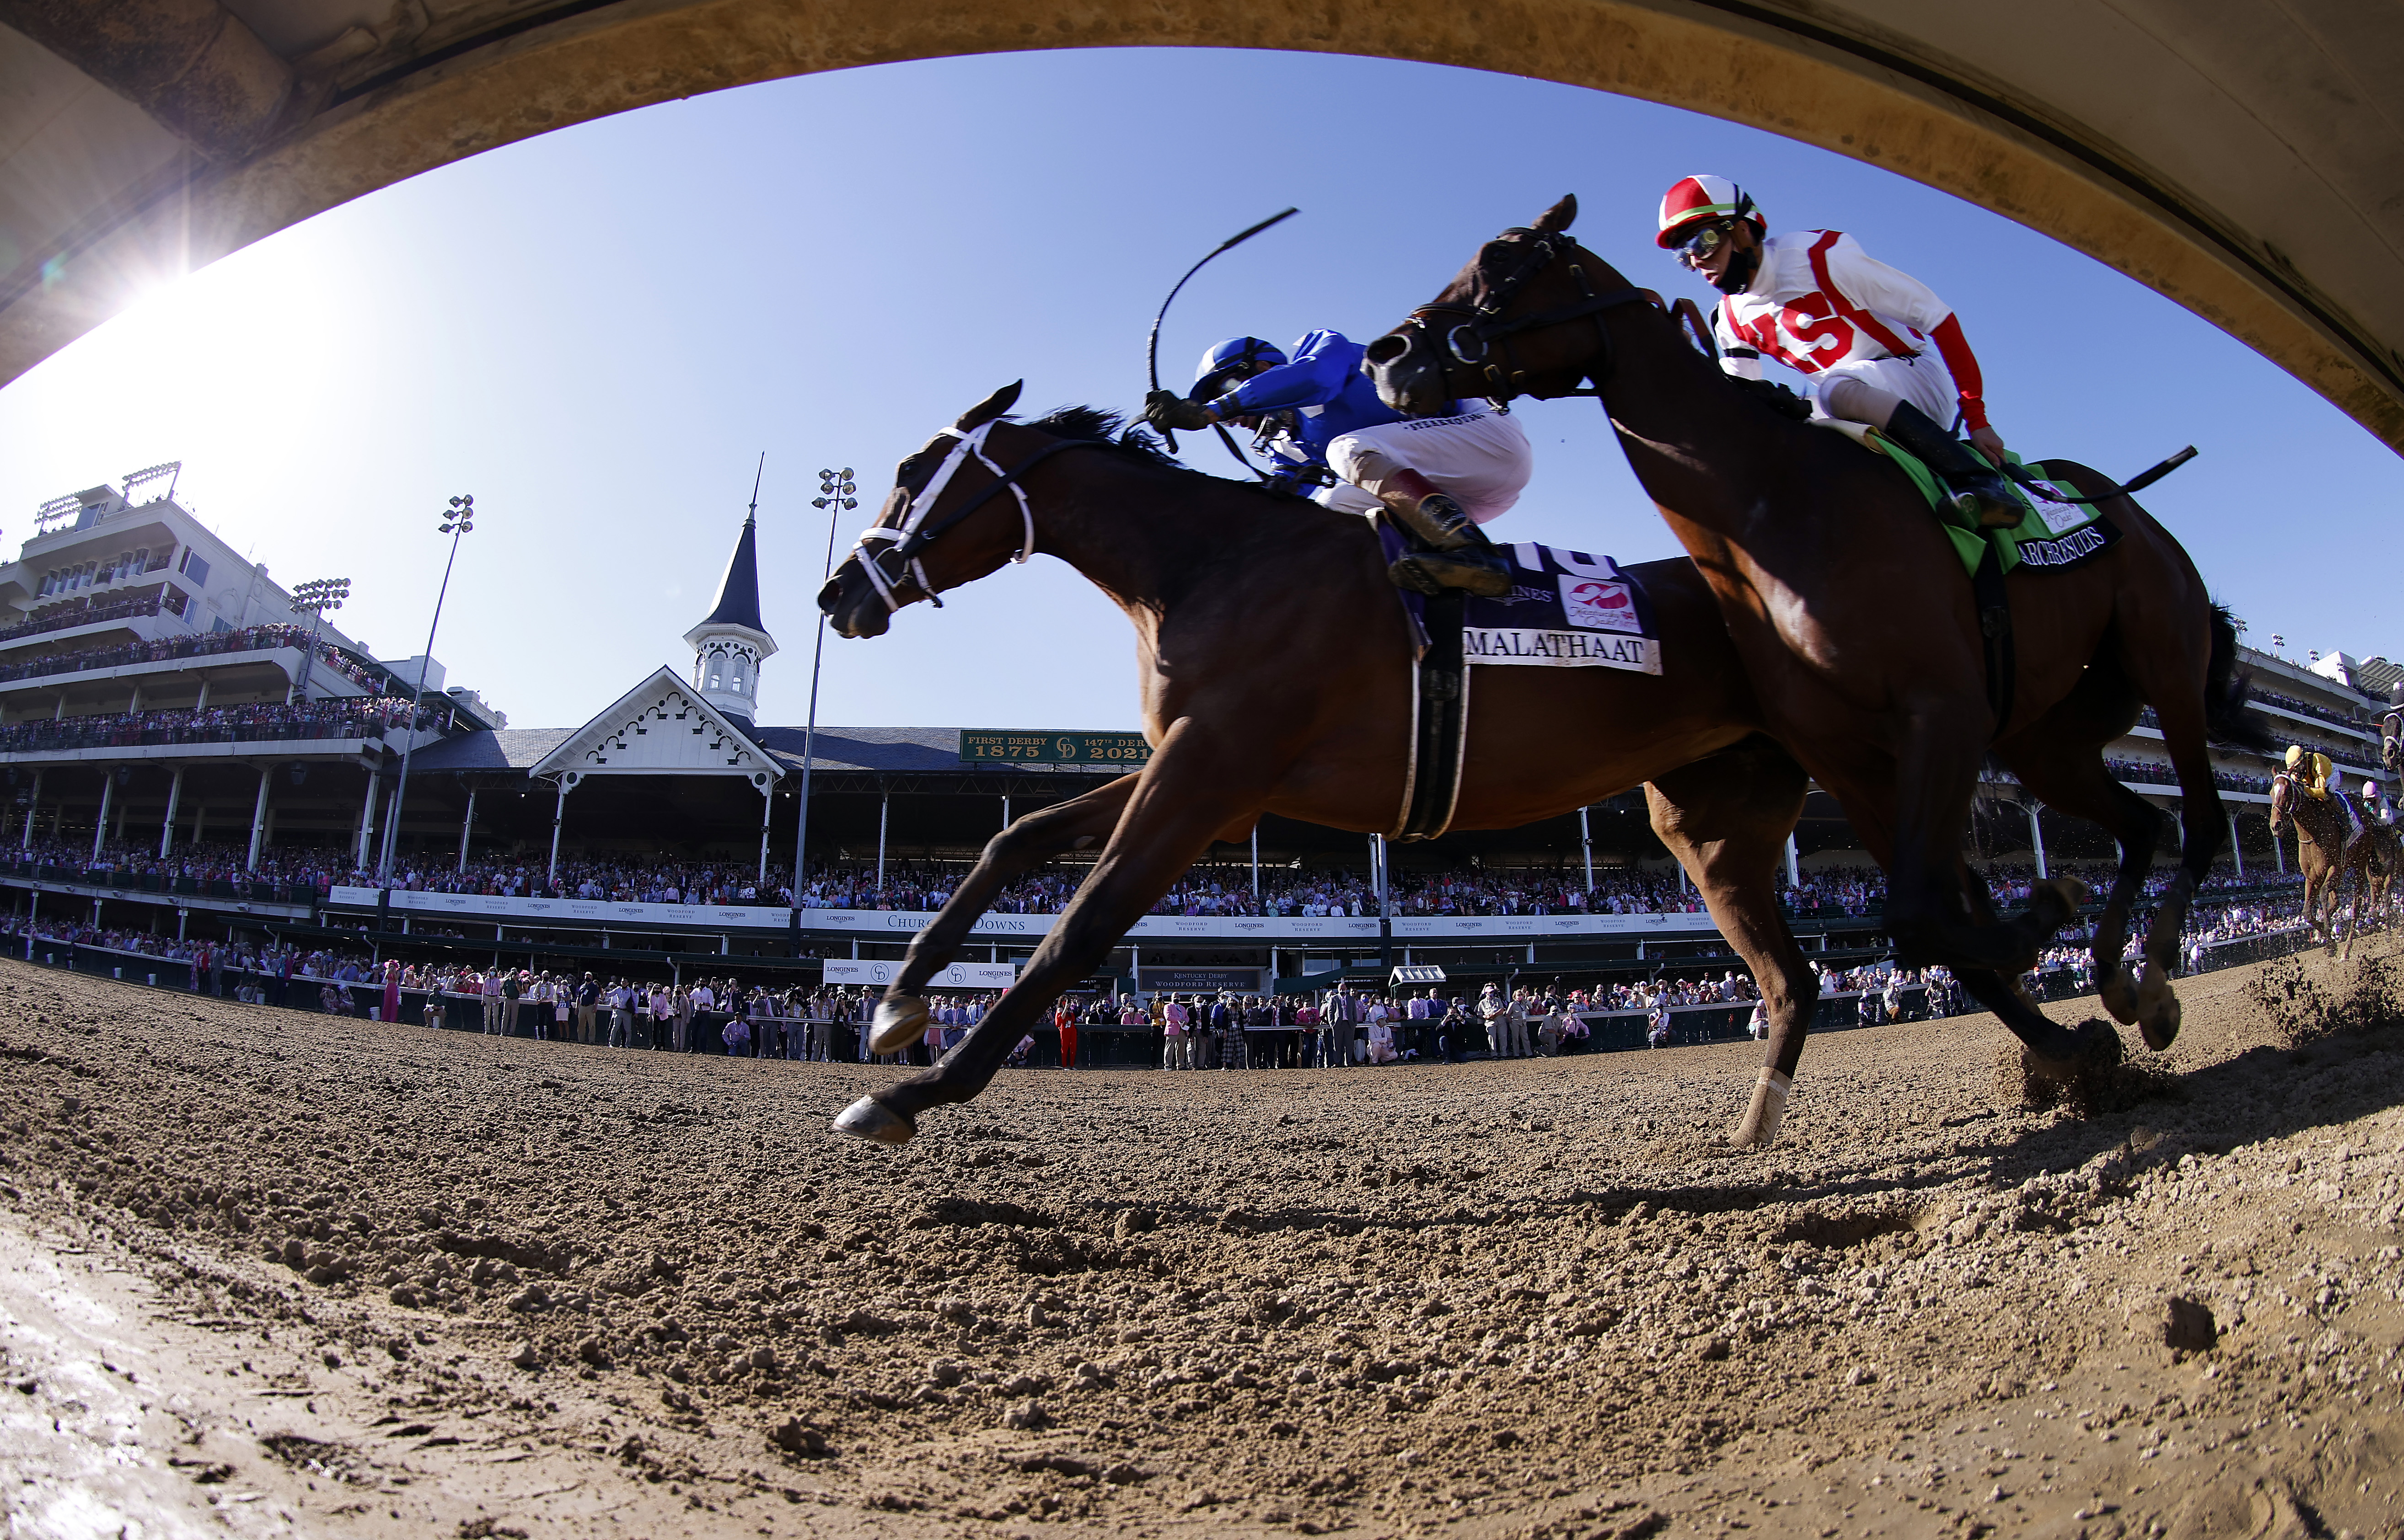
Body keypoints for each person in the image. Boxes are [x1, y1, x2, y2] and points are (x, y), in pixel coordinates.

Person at [1656, 174, 2020, 526]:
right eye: (1682, 256)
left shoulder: (1821, 257)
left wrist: (1978, 419)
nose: (1696, 261)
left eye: (1701, 242)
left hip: (1913, 378)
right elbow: (1743, 403)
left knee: (1833, 389)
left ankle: (1977, 481)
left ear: (1742, 229)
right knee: (1782, 426)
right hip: (1849, 403)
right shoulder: (1729, 320)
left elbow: (1937, 318)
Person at [1141, 332, 1532, 597]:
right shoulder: (1290, 448)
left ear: (1261, 367)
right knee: (1332, 508)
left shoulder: (1322, 350)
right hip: (1465, 498)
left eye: (1228, 388)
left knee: (1346, 450)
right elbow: (1272, 509)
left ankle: (1473, 553)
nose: (1234, 419)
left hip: (1489, 442)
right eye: (1226, 413)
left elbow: (1315, 378)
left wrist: (1212, 410)